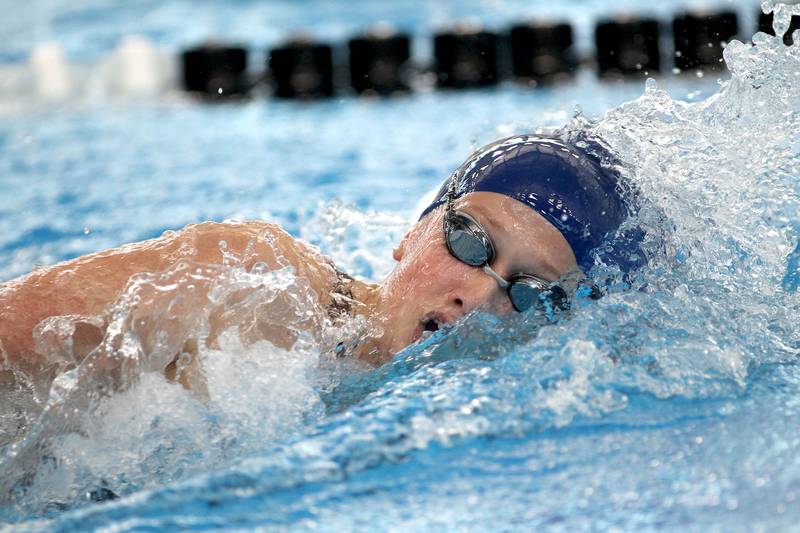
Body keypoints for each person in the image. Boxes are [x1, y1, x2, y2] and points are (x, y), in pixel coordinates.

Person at [0, 133, 638, 392]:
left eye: (527, 292)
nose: (475, 295)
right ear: (412, 233)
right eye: (471, 242)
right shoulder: (250, 279)